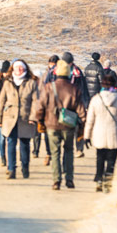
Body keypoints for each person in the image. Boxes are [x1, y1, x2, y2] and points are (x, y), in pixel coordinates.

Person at [30, 60, 87, 190]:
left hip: (52, 125)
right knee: (68, 151)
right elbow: (81, 110)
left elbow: (40, 106)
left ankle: (56, 180)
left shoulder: (49, 87)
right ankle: (69, 178)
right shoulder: (74, 89)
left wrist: (40, 121)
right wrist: (82, 126)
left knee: (55, 153)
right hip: (69, 125)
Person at [0, 60, 38, 179]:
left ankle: (25, 167)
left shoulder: (31, 83)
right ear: (12, 69)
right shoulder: (8, 83)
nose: (18, 70)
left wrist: (33, 117)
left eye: (21, 68)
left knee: (24, 144)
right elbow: (1, 100)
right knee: (11, 143)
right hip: (10, 117)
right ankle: (11, 169)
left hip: (26, 117)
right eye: (16, 68)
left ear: (25, 69)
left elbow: (36, 101)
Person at [62, 52, 89, 158]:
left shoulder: (77, 73)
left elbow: (83, 88)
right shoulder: (59, 72)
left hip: (77, 103)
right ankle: (68, 148)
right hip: (65, 103)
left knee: (79, 126)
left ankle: (79, 149)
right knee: (67, 126)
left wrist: (85, 103)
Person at [34, 56, 58, 166]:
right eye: (51, 64)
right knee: (48, 132)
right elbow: (40, 91)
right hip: (48, 107)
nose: (52, 66)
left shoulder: (61, 75)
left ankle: (55, 153)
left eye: (54, 64)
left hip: (58, 107)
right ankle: (49, 153)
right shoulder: (45, 75)